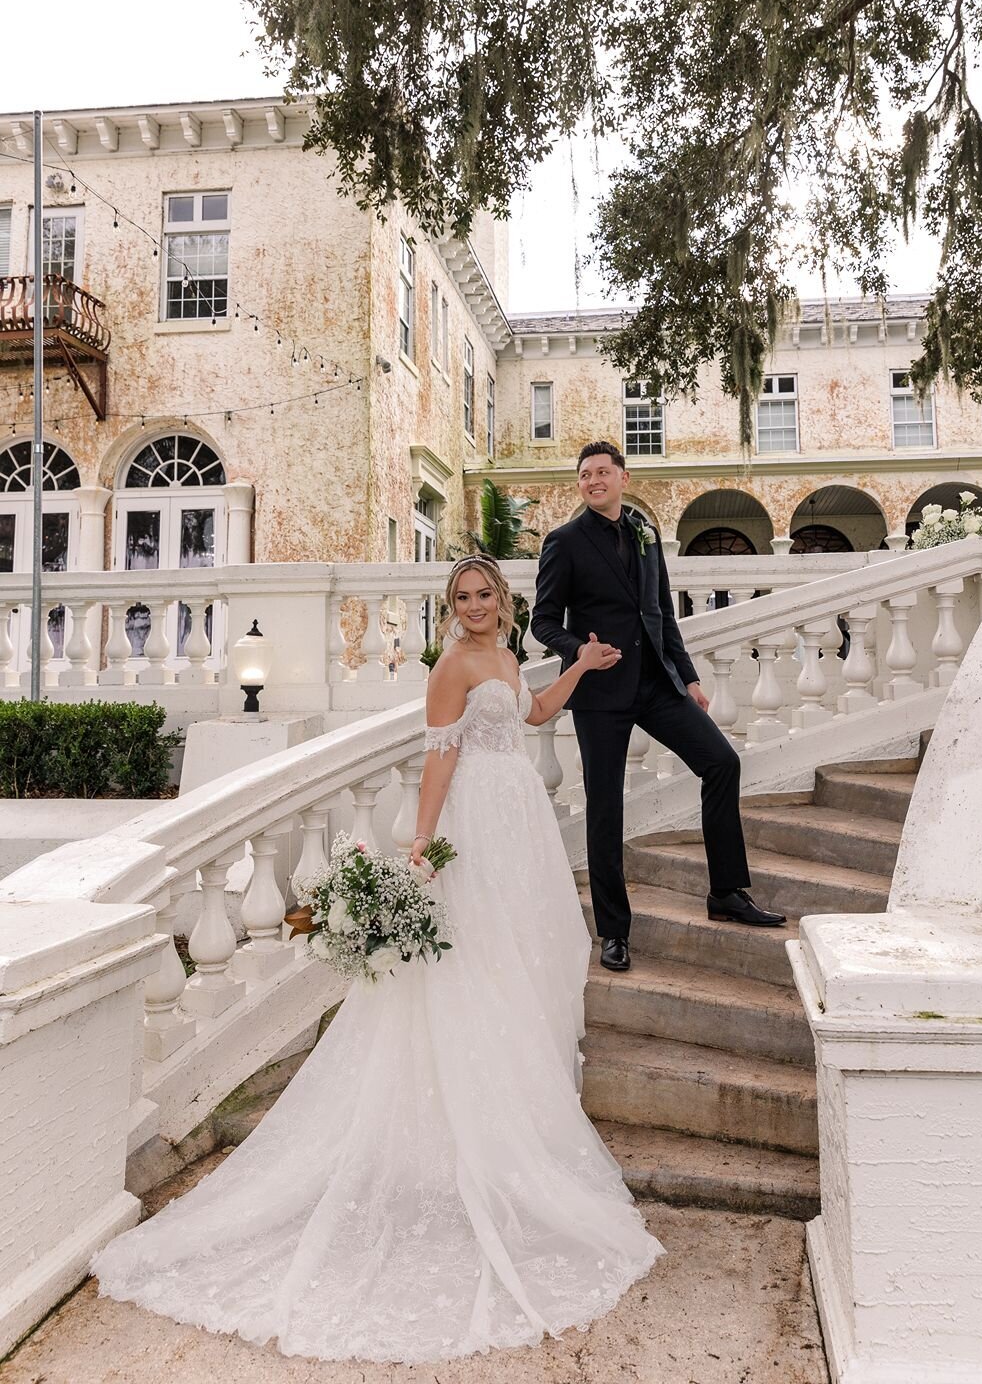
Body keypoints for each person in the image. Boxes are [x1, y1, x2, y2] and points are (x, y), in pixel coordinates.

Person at [91, 557, 663, 1365]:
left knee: (524, 960)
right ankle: (470, 1136)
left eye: (483, 595)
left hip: (519, 821)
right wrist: (421, 845)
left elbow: (533, 715)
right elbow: (438, 760)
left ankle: (519, 1119)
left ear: (503, 601)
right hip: (473, 822)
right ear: (451, 609)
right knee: (470, 963)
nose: (473, 607)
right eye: (461, 598)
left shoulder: (502, 656)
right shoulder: (451, 666)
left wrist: (576, 666)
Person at [530, 441, 785, 974]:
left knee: (722, 762)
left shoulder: (646, 534)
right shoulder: (565, 542)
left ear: (624, 477)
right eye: (584, 475)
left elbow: (662, 613)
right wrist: (579, 651)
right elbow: (543, 621)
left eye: (603, 472)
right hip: (599, 695)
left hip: (656, 685)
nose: (593, 480)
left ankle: (727, 891)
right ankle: (614, 934)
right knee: (606, 811)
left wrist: (688, 676)